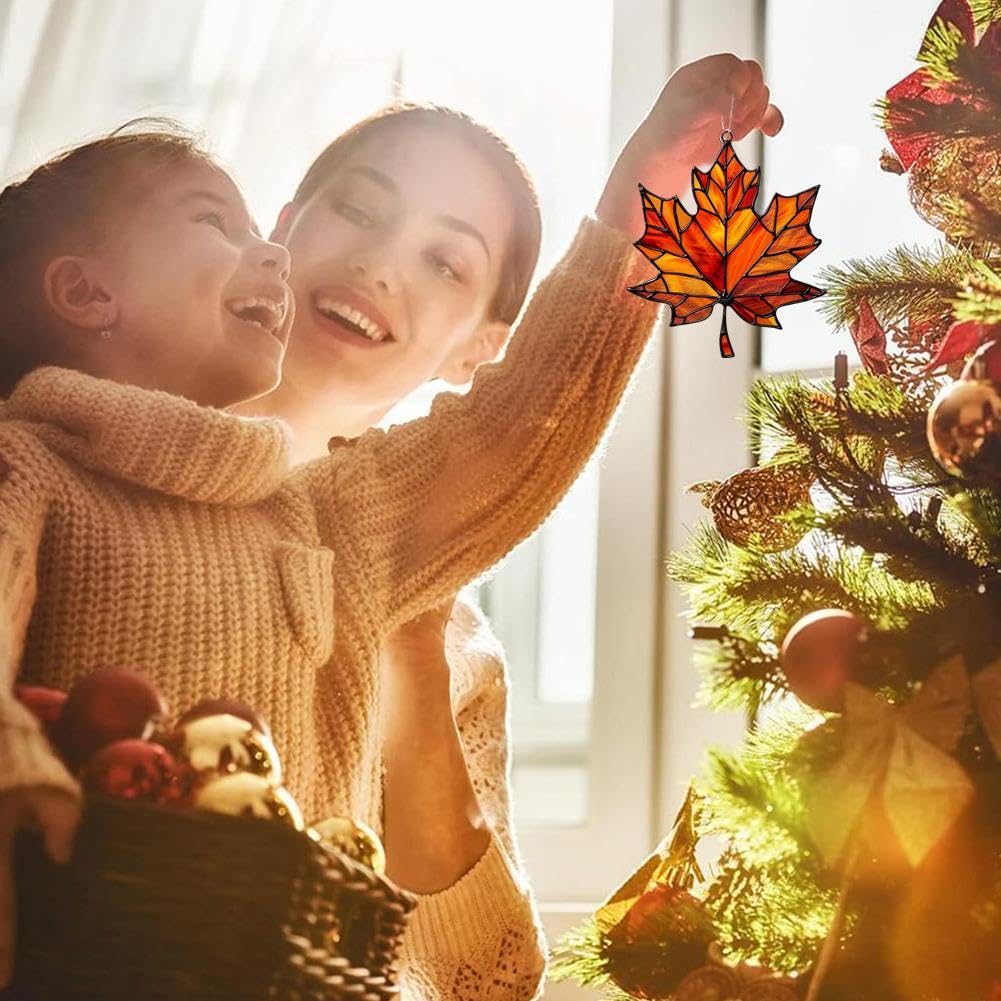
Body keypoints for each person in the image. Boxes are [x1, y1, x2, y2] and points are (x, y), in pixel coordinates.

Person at [236, 53, 782, 999]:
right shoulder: (74, 451)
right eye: (359, 210)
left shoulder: (453, 647)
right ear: (281, 230)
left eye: (444, 260)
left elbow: (479, 979)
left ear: (480, 352)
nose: (378, 262)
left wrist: (410, 654)